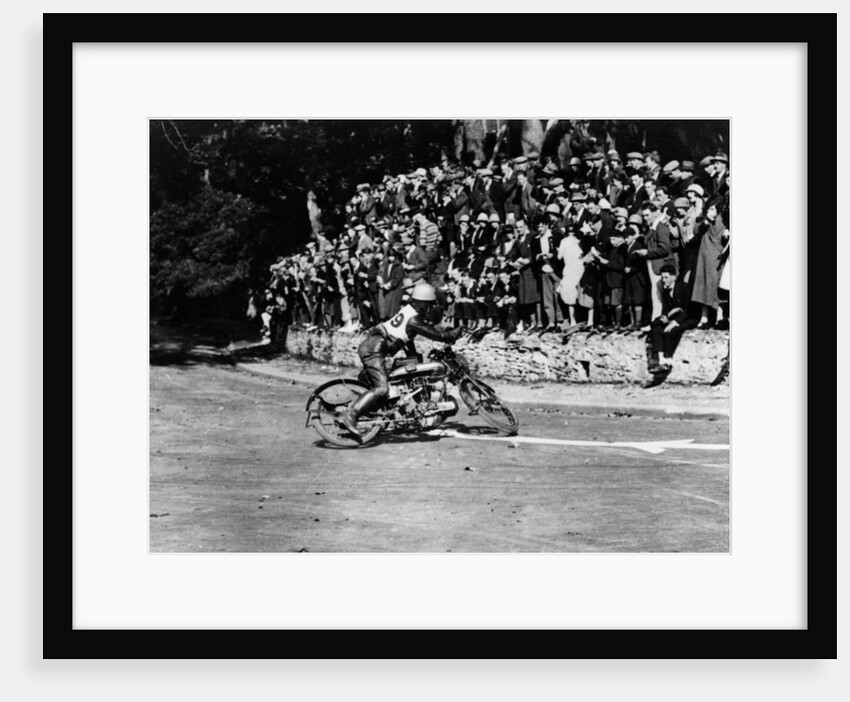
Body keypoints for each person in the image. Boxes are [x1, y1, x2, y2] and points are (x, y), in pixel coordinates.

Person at [339, 282, 463, 441]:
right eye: (429, 306)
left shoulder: (408, 312)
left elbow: (407, 340)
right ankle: (350, 415)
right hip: (374, 349)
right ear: (423, 304)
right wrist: (454, 334)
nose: (430, 309)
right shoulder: (414, 319)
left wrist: (416, 360)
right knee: (382, 388)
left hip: (376, 347)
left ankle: (390, 411)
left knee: (403, 376)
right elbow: (438, 336)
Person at [647, 264, 698, 373]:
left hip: (688, 318)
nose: (663, 280)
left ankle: (668, 361)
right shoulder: (665, 290)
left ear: (673, 277)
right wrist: (665, 316)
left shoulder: (684, 287)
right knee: (657, 329)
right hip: (674, 317)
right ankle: (661, 360)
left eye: (666, 277)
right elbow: (666, 309)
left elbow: (690, 309)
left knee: (671, 331)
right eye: (662, 277)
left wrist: (675, 322)